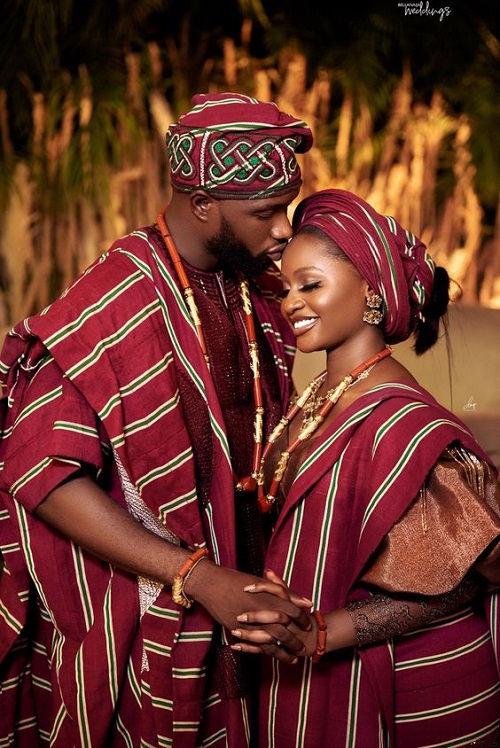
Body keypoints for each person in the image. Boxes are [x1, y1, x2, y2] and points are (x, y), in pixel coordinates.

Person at [0, 93, 315, 747]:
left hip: (238, 618)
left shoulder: (243, 287)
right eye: (266, 212)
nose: (283, 229)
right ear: (202, 204)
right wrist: (199, 577)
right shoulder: (117, 299)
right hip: (145, 623)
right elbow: (40, 474)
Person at [229, 189, 500, 747]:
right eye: (286, 288)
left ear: (371, 293)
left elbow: (463, 580)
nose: (291, 303)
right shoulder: (316, 396)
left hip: (416, 690)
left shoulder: (402, 419)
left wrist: (324, 632)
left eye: (311, 285)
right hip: (313, 672)